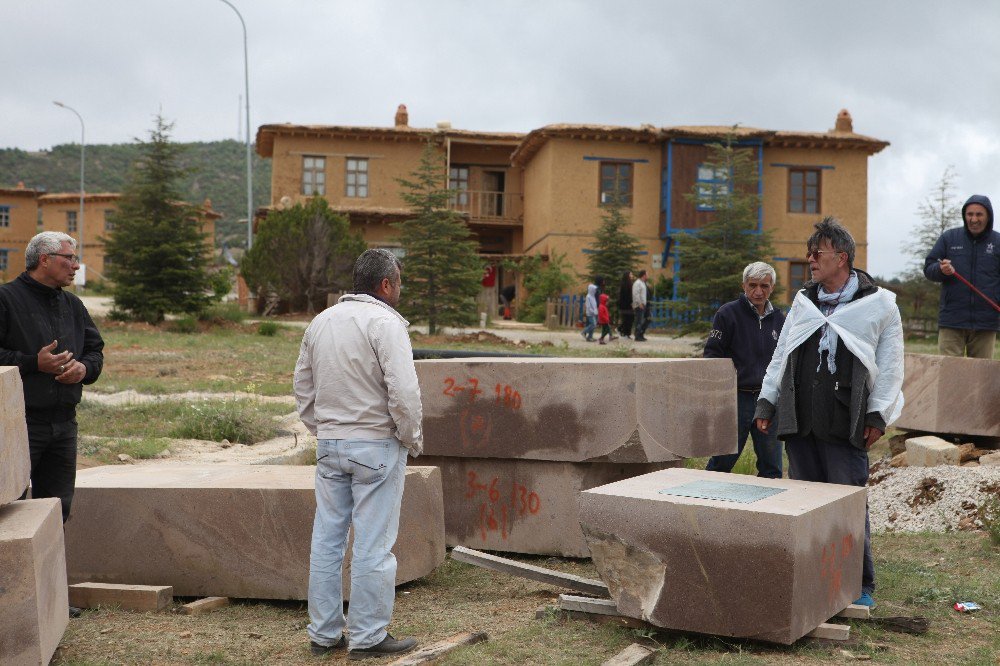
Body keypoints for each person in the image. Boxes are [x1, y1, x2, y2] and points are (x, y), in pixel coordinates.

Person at [754, 217, 904, 610]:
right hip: (802, 417)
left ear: (842, 258)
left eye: (817, 253)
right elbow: (782, 354)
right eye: (809, 253)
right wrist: (768, 401)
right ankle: (810, 580)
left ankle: (859, 583)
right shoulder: (805, 302)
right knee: (804, 503)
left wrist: (877, 415)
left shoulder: (879, 306)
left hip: (844, 419)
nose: (810, 260)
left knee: (847, 505)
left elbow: (889, 367)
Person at [294, 248, 422, 660]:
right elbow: (404, 392)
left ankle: (324, 633)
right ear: (385, 284)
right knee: (374, 543)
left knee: (327, 540)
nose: (399, 289)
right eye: (398, 282)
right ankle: (368, 637)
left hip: (331, 445)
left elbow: (303, 387)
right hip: (376, 444)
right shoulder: (386, 323)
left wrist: (324, 429)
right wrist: (410, 437)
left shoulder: (321, 321)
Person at [0, 232, 104, 525]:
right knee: (10, 512)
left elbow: (95, 350)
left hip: (64, 423)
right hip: (18, 424)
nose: (75, 266)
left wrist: (84, 369)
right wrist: (34, 363)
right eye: (70, 258)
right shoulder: (5, 299)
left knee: (56, 512)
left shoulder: (73, 305)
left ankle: (48, 571)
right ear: (44, 260)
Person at [704, 262, 786, 478]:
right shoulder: (727, 314)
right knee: (721, 463)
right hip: (736, 399)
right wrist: (719, 396)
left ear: (772, 287)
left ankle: (766, 511)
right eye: (753, 285)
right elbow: (713, 356)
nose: (758, 291)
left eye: (764, 286)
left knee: (772, 467)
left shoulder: (780, 319)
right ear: (744, 286)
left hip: (768, 401)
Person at [923, 194, 1000, 358]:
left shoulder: (998, 242)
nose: (974, 219)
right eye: (970, 214)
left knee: (982, 378)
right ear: (964, 216)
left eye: (979, 214)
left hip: (986, 322)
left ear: (988, 216)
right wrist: (940, 270)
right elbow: (929, 267)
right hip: (952, 320)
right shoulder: (949, 238)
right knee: (949, 374)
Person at [631, 270, 649, 341]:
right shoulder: (637, 283)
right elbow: (636, 294)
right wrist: (639, 303)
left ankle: (640, 334)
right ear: (644, 275)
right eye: (647, 274)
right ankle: (637, 336)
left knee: (646, 319)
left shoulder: (643, 283)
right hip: (639, 305)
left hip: (643, 305)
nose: (648, 275)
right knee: (639, 321)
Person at [617, 271, 634, 338]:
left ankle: (626, 333)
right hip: (626, 305)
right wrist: (631, 303)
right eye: (631, 274)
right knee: (627, 319)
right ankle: (623, 332)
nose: (632, 275)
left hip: (627, 305)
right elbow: (627, 296)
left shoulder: (630, 283)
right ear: (627, 275)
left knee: (629, 319)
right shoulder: (625, 284)